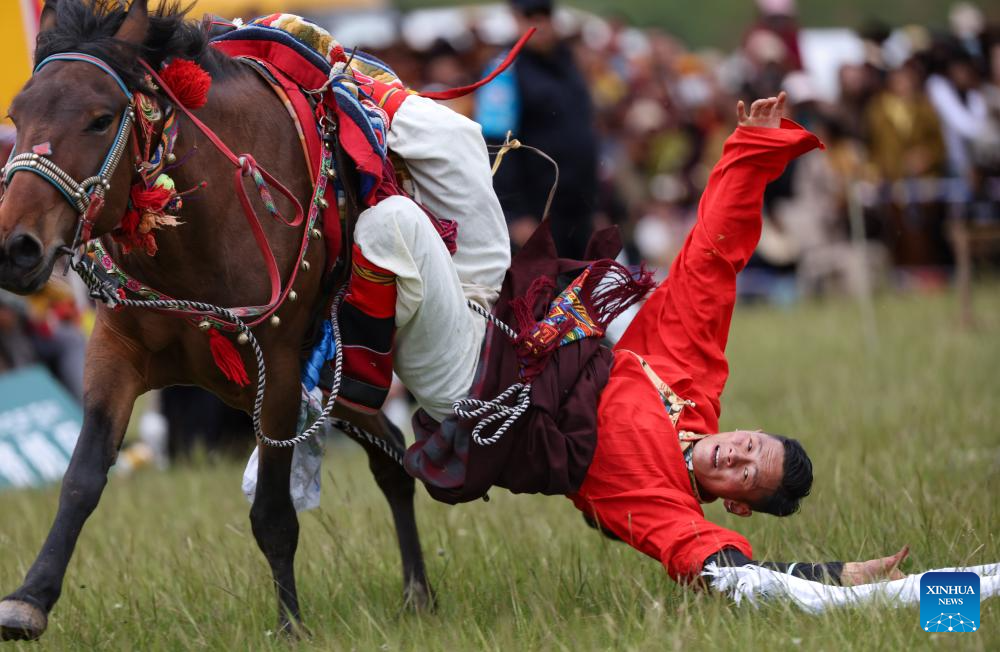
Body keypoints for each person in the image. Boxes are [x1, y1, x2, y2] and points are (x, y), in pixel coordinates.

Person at [400, 93, 908, 588]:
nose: (737, 457)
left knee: (400, 227)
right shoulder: (689, 387)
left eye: (747, 476)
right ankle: (338, 76)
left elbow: (724, 570)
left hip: (481, 393)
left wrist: (838, 577)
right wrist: (751, 152)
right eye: (750, 446)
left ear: (735, 505)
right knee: (454, 137)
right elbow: (709, 265)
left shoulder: (662, 504)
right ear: (747, 430)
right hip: (509, 320)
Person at [475, 0, 599, 258]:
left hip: (578, 211)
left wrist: (599, 205)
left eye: (545, 15)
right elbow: (497, 146)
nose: (539, 24)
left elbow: (585, 135)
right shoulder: (506, 70)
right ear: (515, 19)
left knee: (578, 295)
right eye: (530, 15)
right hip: (535, 213)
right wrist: (513, 214)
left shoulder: (568, 65)